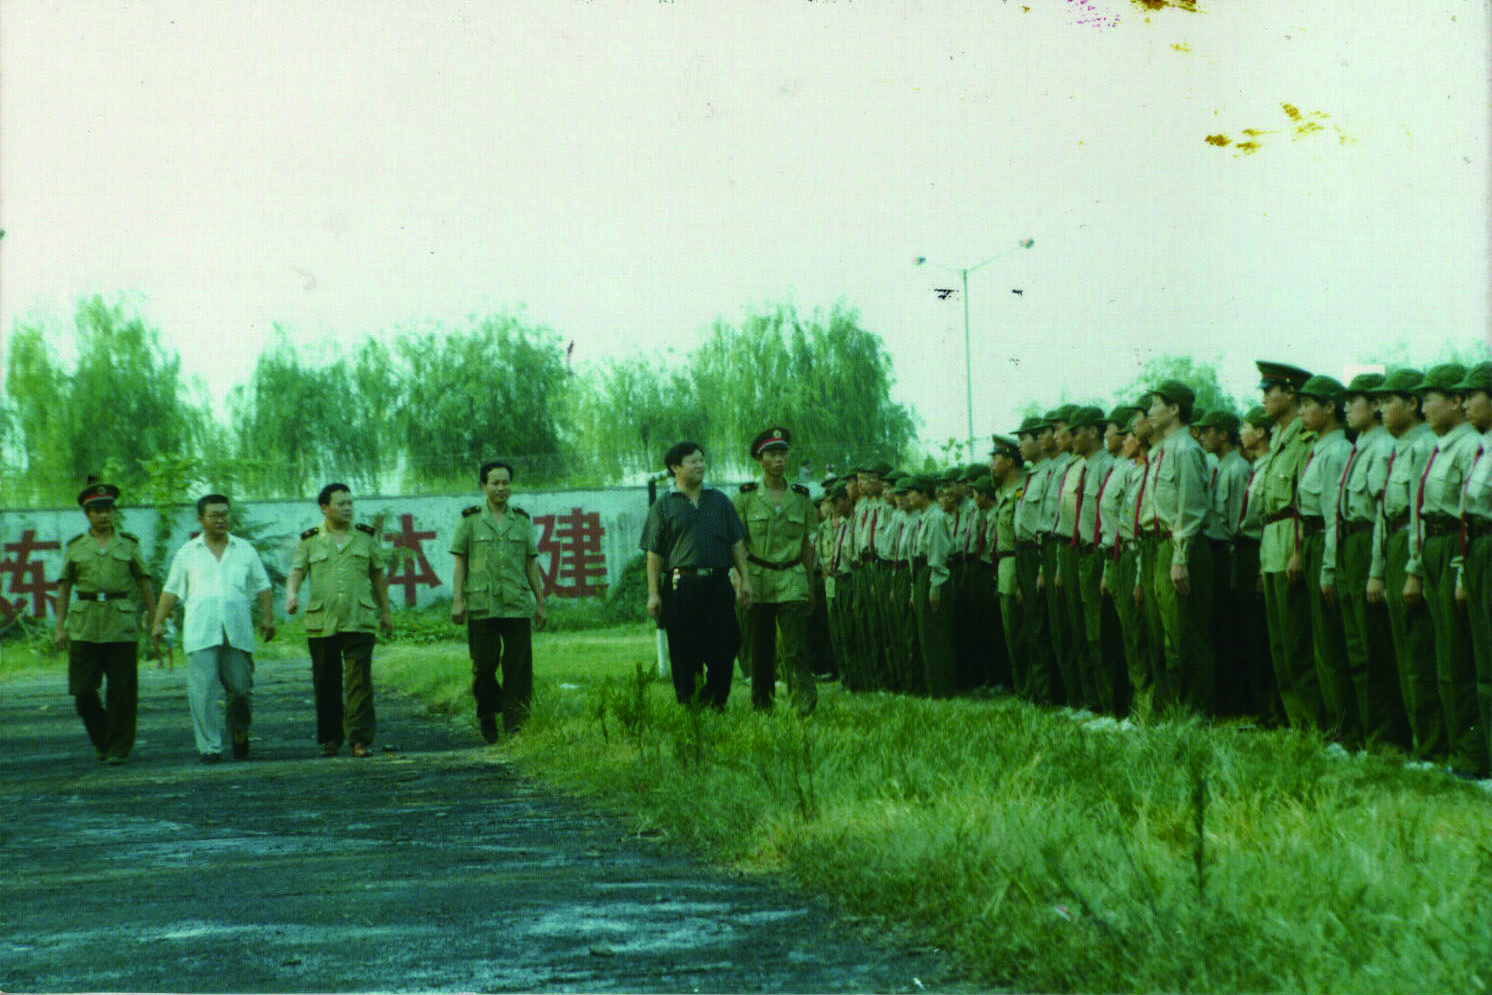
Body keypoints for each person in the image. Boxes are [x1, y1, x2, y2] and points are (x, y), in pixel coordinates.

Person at [152, 494, 275, 763]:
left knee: (241, 689)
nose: (221, 520)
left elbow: (262, 585)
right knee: (203, 692)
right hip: (201, 631)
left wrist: (268, 617)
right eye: (214, 515)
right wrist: (158, 622)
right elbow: (171, 590)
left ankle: (239, 729)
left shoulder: (244, 549)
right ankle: (209, 746)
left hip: (237, 631)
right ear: (201, 520)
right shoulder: (187, 553)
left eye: (224, 514)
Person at [1410, 364, 1487, 778]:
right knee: (1444, 655)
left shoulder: (1471, 446)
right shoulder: (1445, 446)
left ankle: (1473, 757)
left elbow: (1466, 516)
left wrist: (1459, 571)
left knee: (1462, 657)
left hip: (1462, 548)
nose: (1423, 407)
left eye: (1429, 399)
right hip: (1439, 546)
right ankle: (1458, 753)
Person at [641, 442, 752, 709]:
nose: (700, 465)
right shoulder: (663, 506)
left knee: (726, 644)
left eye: (702, 460)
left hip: (718, 583)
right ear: (675, 468)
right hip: (681, 586)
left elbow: (736, 543)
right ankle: (689, 706)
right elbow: (654, 554)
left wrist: (745, 579)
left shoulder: (719, 501)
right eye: (693, 461)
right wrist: (654, 594)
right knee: (684, 650)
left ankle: (716, 701)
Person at [285, 483, 393, 758]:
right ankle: (331, 738)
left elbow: (378, 575)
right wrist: (292, 595)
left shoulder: (366, 537)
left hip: (359, 617)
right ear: (325, 508)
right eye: (341, 503)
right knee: (326, 682)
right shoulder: (310, 539)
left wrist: (385, 612)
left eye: (350, 503)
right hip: (322, 621)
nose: (347, 508)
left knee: (360, 681)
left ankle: (360, 739)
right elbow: (297, 571)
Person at [1368, 369, 1443, 760]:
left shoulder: (1424, 446)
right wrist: (1378, 569)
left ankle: (1431, 748)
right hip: (1394, 543)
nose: (1381, 408)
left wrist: (1414, 568)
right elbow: (1387, 512)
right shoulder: (1399, 448)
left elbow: (1418, 513)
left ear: (1412, 404)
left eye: (1389, 401)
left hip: (1412, 546)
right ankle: (1418, 741)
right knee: (1401, 650)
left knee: (1417, 651)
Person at [54, 482, 156, 765]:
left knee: (123, 690)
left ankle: (118, 749)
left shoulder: (129, 544)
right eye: (98, 511)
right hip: (84, 625)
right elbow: (64, 586)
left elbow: (144, 582)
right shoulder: (76, 546)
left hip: (120, 623)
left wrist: (155, 620)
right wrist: (60, 627)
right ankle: (102, 739)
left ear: (114, 512)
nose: (104, 515)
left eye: (108, 510)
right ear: (87, 514)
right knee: (82, 689)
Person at [1334, 373, 1410, 750]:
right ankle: (1364, 733)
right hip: (1351, 541)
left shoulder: (1382, 447)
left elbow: (1382, 510)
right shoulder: (1360, 446)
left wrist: (1376, 568)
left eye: (1355, 400)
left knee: (1373, 644)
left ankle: (1383, 737)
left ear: (1376, 405)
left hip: (1369, 541)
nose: (1347, 408)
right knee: (1356, 645)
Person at [450, 461, 549, 743]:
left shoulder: (522, 521)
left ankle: (516, 725)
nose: (501, 488)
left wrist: (540, 603)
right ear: (484, 486)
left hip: (516, 603)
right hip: (482, 604)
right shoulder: (470, 520)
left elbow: (531, 564)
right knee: (484, 666)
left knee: (518, 668)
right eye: (495, 483)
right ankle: (488, 712)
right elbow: (460, 562)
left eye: (506, 482)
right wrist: (458, 600)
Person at [1255, 360, 1325, 731]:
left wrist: (1298, 551)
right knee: (1279, 642)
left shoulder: (1304, 439)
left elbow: (1302, 501)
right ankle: (1295, 720)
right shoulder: (1279, 440)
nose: (1264, 399)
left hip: (1290, 541)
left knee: (1297, 639)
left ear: (1291, 393)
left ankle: (1312, 722)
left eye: (1270, 391)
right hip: (1271, 543)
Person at [734, 428, 818, 715]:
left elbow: (806, 545)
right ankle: (762, 703)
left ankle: (804, 699)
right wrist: (741, 581)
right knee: (761, 647)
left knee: (796, 646)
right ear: (760, 460)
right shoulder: (746, 497)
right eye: (772, 454)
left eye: (783, 453)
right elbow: (737, 544)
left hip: (792, 578)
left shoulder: (801, 497)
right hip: (758, 579)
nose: (779, 459)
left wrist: (810, 587)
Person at [1296, 374, 1359, 745]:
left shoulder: (1337, 452)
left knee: (1332, 643)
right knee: (1321, 641)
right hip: (1311, 541)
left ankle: (1345, 729)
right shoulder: (1320, 449)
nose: (1302, 411)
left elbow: (1333, 513)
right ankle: (1335, 723)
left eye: (1308, 404)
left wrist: (1329, 566)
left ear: (1330, 407)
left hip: (1325, 542)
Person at [1146, 380, 1215, 713]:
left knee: (1187, 633)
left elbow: (1191, 507)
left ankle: (1194, 711)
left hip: (1182, 548)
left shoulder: (1186, 449)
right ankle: (1175, 707)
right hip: (1164, 545)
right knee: (1170, 633)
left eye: (1156, 404)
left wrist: (1181, 556)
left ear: (1174, 409)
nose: (1150, 411)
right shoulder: (1163, 450)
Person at [1197, 410, 1250, 716]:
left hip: (1228, 553)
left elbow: (1237, 522)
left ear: (1223, 435)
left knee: (1231, 631)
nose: (1203, 436)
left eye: (1208, 431)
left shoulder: (1238, 469)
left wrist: (1232, 569)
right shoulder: (1218, 466)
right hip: (1215, 553)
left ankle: (1236, 704)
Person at [1452, 363, 1492, 768]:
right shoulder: (1483, 447)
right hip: (1478, 547)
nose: (1464, 404)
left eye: (1472, 396)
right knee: (1484, 657)